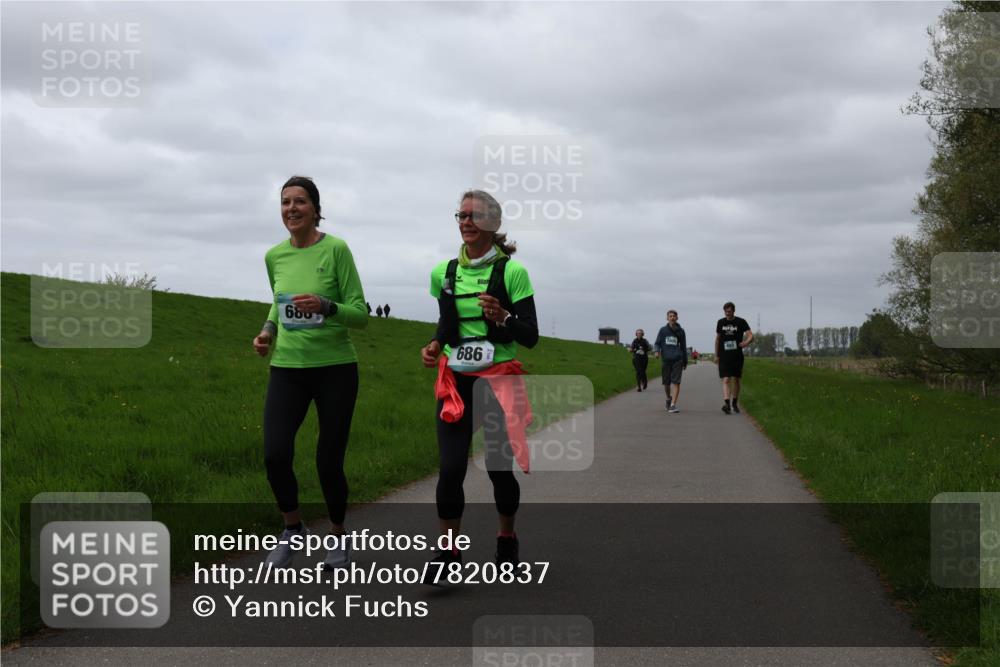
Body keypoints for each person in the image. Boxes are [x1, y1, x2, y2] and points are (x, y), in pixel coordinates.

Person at [252, 175, 368, 570]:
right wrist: (268, 331)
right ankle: (292, 529)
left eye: (300, 201)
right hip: (287, 368)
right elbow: (278, 302)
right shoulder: (274, 256)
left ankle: (338, 539)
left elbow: (361, 314)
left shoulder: (336, 250)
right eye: (285, 202)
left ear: (316, 209)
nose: (291, 209)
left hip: (335, 368)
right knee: (275, 454)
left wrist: (327, 305)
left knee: (328, 460)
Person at [420, 189, 539, 575]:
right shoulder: (445, 272)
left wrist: (503, 316)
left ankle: (507, 537)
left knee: (497, 469)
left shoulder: (512, 272)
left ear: (493, 223)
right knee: (451, 468)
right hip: (456, 381)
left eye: (474, 216)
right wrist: (436, 343)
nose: (466, 222)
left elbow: (530, 335)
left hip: (497, 381)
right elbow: (446, 324)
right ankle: (449, 554)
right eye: (461, 216)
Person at [715, 301, 753, 414]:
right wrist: (716, 355)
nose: (728, 313)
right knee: (726, 379)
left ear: (733, 311)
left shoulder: (741, 322)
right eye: (726, 312)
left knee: (736, 379)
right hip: (724, 355)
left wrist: (745, 343)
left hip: (737, 356)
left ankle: (734, 403)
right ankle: (726, 403)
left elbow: (751, 335)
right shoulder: (720, 322)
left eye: (730, 311)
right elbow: (717, 339)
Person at [653, 310, 688, 412]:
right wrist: (656, 351)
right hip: (666, 359)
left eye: (674, 316)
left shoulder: (681, 331)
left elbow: (683, 346)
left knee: (676, 382)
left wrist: (684, 361)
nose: (672, 318)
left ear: (677, 318)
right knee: (667, 383)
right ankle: (668, 398)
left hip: (677, 359)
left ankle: (673, 405)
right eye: (670, 316)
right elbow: (657, 343)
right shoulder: (663, 330)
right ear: (667, 318)